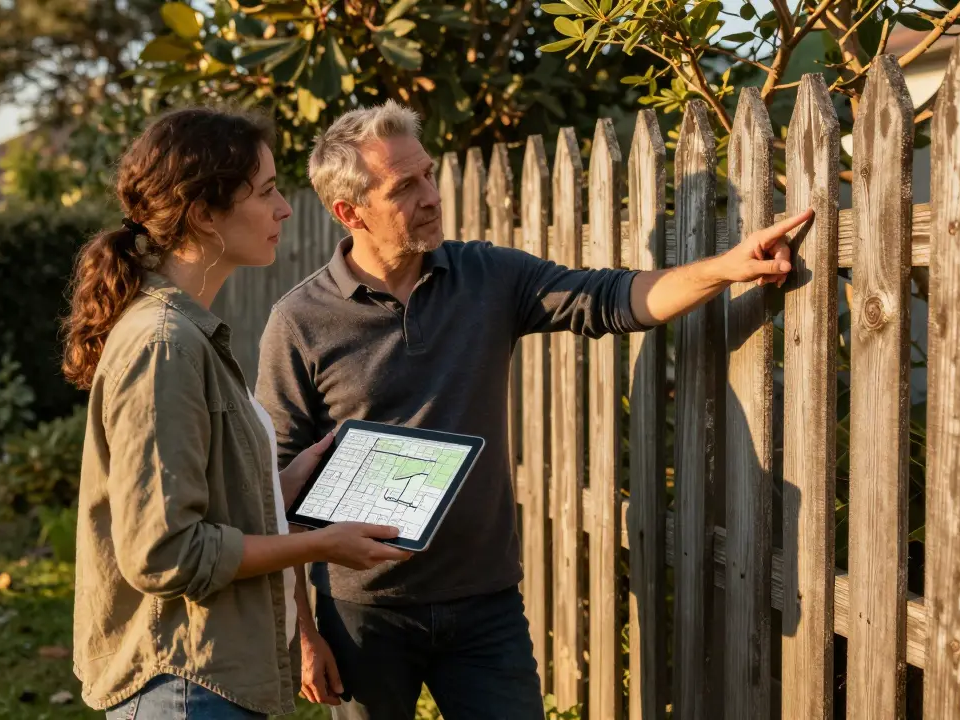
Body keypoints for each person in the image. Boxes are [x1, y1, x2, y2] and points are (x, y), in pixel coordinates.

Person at [255, 100, 813, 720]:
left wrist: (729, 267)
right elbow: (272, 495)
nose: (431, 196)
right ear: (348, 211)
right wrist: (303, 633)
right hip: (362, 615)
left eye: (429, 174)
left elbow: (611, 298)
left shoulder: (486, 276)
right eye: (404, 186)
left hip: (484, 605)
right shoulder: (299, 323)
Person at [62, 106, 412, 720]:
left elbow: (191, 507)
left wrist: (283, 485)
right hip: (184, 685)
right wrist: (320, 545)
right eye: (267, 192)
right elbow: (164, 553)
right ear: (203, 214)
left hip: (205, 679)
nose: (284, 209)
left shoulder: (186, 333)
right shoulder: (164, 344)